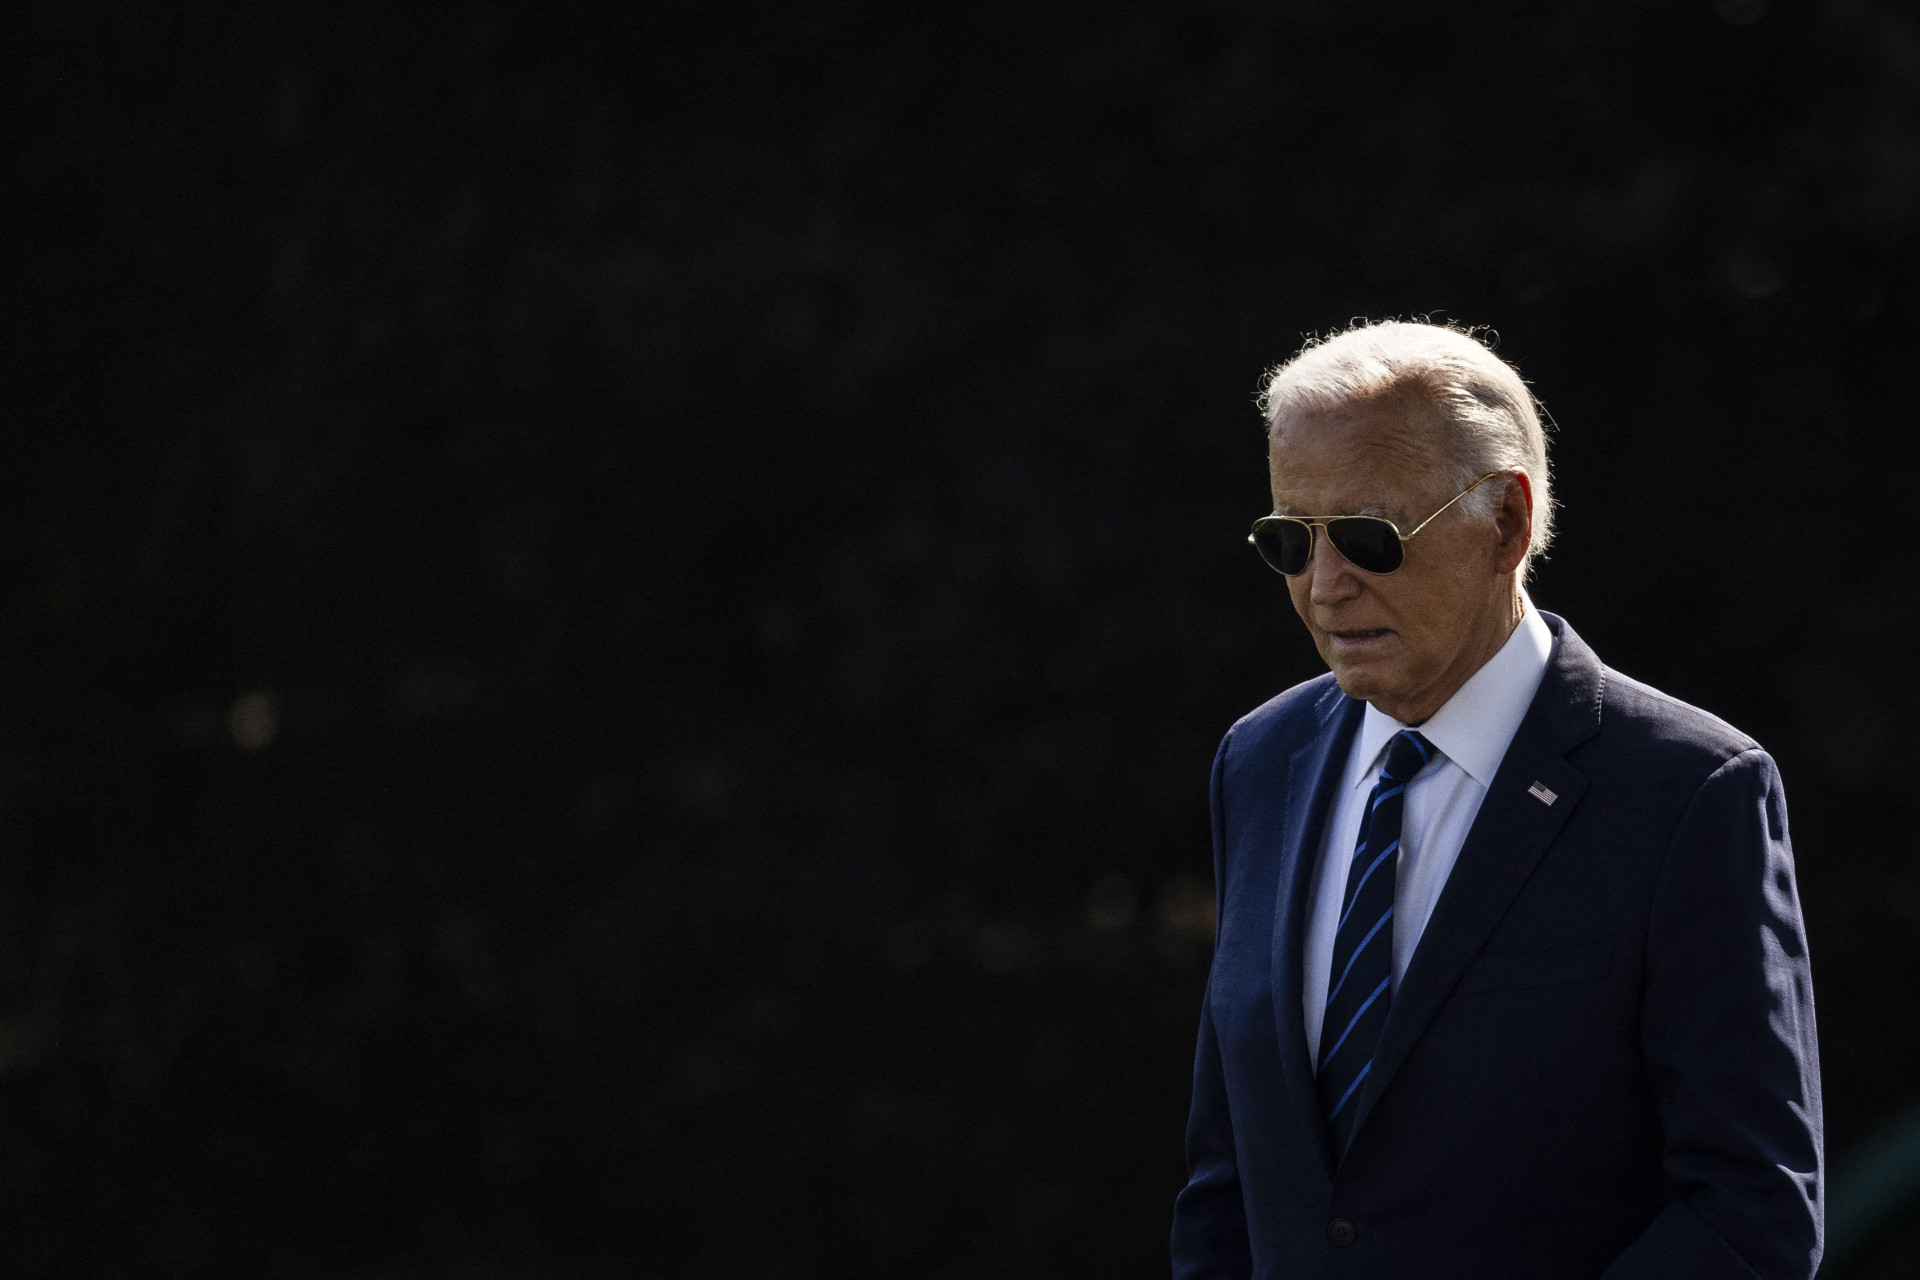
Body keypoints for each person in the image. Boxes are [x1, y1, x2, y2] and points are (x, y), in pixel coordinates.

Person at [1170, 322, 1822, 1279]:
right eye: (1288, 542)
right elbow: (1229, 1184)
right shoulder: (1259, 762)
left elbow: (1751, 1210)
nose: (1323, 586)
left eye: (1365, 537)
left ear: (1507, 524)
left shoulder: (1688, 791)